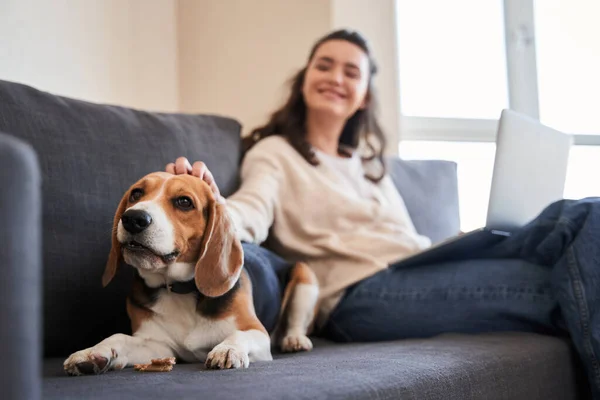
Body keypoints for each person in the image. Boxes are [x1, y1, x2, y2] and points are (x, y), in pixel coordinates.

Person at [166, 29, 600, 397]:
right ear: (305, 80)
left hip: (416, 267)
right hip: (359, 295)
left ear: (363, 96)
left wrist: (468, 241)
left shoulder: (370, 167)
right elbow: (250, 214)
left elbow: (410, 242)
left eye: (351, 72)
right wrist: (210, 205)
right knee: (569, 277)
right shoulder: (274, 153)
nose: (335, 77)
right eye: (324, 65)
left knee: (584, 216)